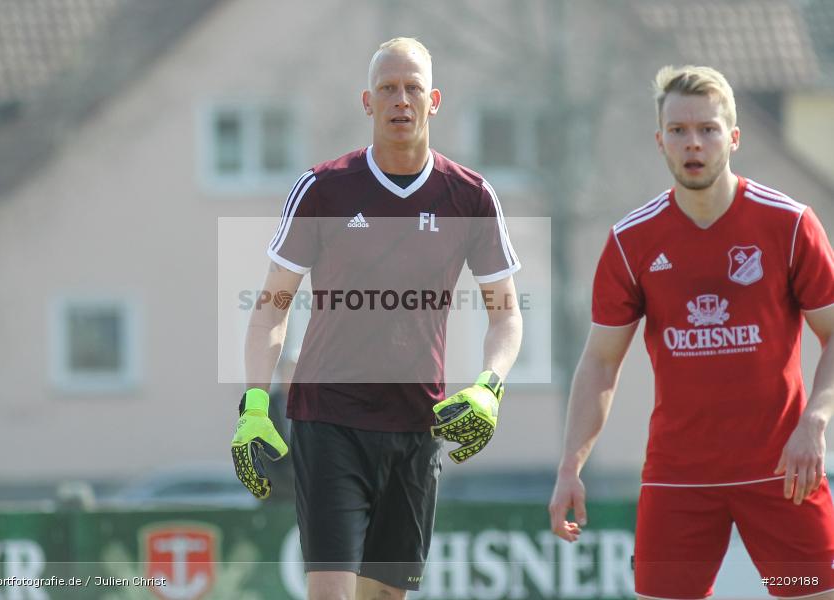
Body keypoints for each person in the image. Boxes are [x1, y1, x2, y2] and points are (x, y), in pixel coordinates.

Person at [231, 37, 523, 600]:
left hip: (416, 423)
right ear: (367, 102)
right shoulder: (322, 188)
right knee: (331, 593)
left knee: (386, 595)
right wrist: (254, 405)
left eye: (413, 88)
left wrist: (490, 387)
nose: (401, 100)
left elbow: (506, 317)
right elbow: (270, 308)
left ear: (434, 100)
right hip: (329, 419)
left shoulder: (470, 196)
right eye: (388, 88)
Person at [549, 64, 834, 599]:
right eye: (679, 130)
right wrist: (570, 466)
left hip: (782, 474)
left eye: (707, 129)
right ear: (661, 142)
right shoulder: (632, 241)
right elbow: (602, 362)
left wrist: (815, 421)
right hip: (678, 479)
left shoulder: (790, 224)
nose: (693, 143)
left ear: (734, 137)